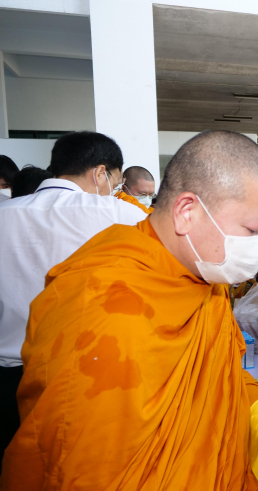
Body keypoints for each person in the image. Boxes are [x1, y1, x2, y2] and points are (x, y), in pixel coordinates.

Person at [0, 130, 258, 491]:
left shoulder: (199, 280)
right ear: (187, 211)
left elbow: (221, 382)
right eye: (251, 229)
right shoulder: (103, 305)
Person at [0, 132, 147, 470]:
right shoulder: (120, 215)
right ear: (100, 173)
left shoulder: (5, 215)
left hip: (8, 378)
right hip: (81, 379)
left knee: (13, 485)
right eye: (115, 180)